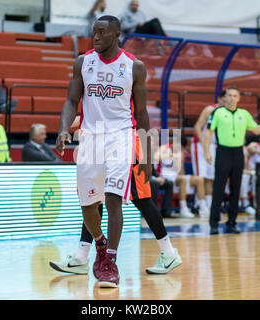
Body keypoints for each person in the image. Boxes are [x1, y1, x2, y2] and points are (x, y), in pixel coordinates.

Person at [55, 15, 152, 288]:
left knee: (112, 199)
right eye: (93, 32)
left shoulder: (134, 66)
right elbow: (71, 101)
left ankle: (110, 261)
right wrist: (64, 130)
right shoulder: (82, 62)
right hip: (90, 139)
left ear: (117, 34)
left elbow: (142, 113)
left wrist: (147, 155)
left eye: (101, 32)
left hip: (121, 137)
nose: (95, 37)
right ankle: (99, 245)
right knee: (88, 205)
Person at [50, 138, 181, 276]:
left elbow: (141, 118)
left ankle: (169, 252)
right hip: (104, 147)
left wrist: (146, 158)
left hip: (126, 146)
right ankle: (81, 257)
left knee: (142, 199)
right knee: (95, 199)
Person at [203, 86, 260, 235]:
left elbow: (256, 129)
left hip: (238, 153)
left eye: (235, 96)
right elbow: (209, 132)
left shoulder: (244, 114)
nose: (232, 98)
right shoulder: (218, 112)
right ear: (225, 98)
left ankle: (232, 223)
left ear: (239, 98)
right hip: (223, 151)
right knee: (218, 188)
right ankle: (214, 223)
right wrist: (207, 151)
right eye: (229, 95)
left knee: (236, 189)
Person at [192, 90, 227, 214]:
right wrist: (204, 144)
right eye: (227, 97)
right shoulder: (209, 109)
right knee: (200, 177)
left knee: (210, 178)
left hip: (213, 146)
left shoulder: (225, 113)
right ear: (221, 98)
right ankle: (201, 207)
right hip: (200, 145)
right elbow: (197, 127)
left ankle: (209, 205)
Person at [155, 137, 208, 218]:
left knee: (199, 179)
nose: (178, 147)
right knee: (183, 179)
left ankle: (203, 208)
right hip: (164, 175)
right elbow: (155, 157)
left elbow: (181, 172)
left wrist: (178, 163)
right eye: (177, 144)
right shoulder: (164, 148)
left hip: (176, 176)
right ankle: (183, 208)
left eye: (180, 147)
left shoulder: (181, 154)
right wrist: (170, 156)